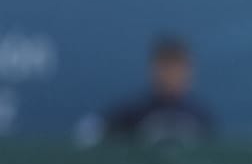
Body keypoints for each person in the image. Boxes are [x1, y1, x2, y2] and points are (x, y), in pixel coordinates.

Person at [83, 36, 216, 145]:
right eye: (166, 67)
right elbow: (90, 131)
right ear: (154, 70)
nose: (172, 75)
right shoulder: (134, 112)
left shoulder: (200, 116)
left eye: (179, 68)